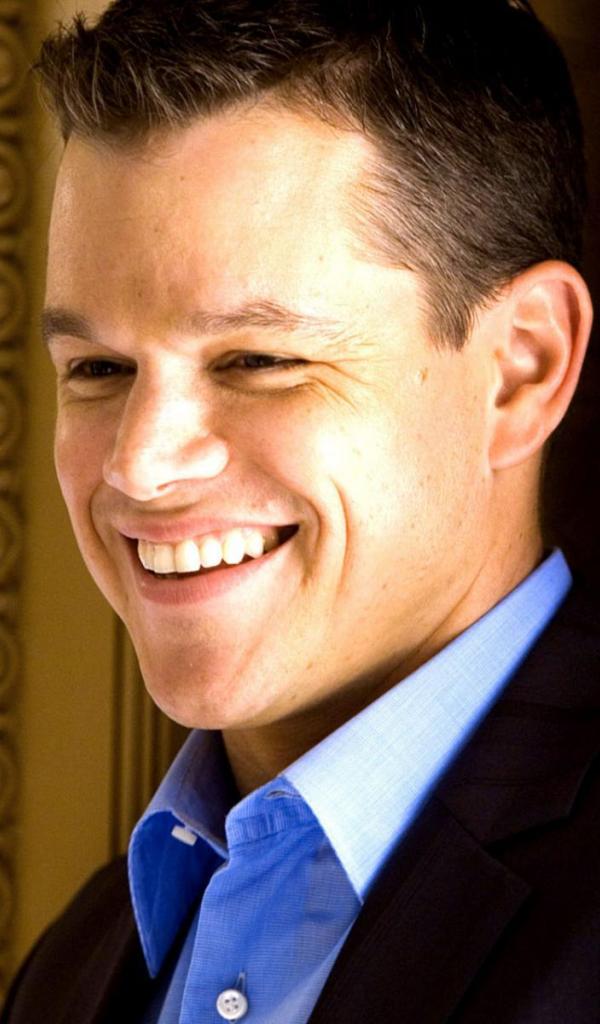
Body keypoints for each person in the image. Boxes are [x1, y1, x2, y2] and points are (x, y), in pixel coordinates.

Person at [3, 0, 599, 1020]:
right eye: (98, 368)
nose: (141, 466)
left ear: (519, 370)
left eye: (257, 360)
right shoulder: (71, 966)